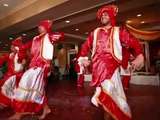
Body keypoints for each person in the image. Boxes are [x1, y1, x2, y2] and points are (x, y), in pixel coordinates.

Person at [77, 5, 144, 120]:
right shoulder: (95, 32)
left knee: (108, 99)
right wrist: (82, 58)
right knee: (107, 100)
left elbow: (133, 42)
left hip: (111, 70)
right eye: (101, 15)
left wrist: (139, 55)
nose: (103, 16)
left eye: (105, 14)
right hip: (97, 70)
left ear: (111, 16)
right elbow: (85, 46)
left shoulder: (118, 31)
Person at [10, 20, 64, 120]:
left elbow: (61, 36)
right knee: (36, 91)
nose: (39, 27)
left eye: (42, 26)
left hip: (40, 67)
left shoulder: (48, 37)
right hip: (33, 66)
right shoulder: (35, 38)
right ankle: (46, 108)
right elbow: (24, 47)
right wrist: (20, 50)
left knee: (24, 84)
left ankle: (19, 113)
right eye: (38, 26)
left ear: (47, 28)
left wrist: (57, 36)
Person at [0, 37, 27, 109]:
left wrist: (22, 64)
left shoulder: (21, 54)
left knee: (13, 90)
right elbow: (2, 60)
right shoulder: (10, 55)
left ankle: (7, 103)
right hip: (9, 76)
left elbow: (23, 62)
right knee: (4, 86)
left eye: (14, 45)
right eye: (11, 45)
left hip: (17, 76)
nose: (11, 46)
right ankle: (4, 103)